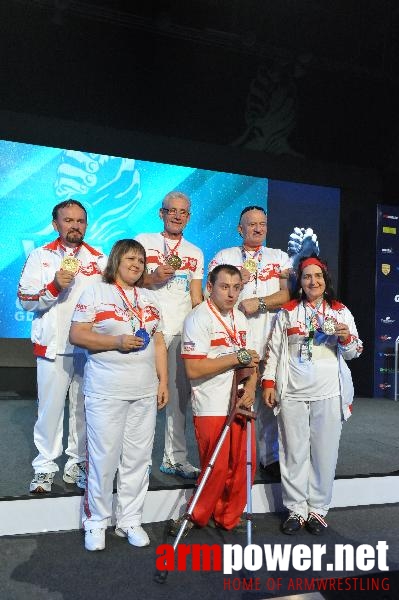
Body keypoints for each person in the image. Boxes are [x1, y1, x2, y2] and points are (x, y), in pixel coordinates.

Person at [69, 239, 168, 551]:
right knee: (103, 458)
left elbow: (160, 343)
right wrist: (117, 342)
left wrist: (163, 381)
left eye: (141, 259)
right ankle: (96, 521)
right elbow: (77, 334)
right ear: (116, 261)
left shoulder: (150, 298)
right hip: (106, 390)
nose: (137, 264)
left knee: (138, 460)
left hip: (143, 391)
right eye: (130, 258)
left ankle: (130, 519)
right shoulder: (96, 292)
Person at [262, 255, 363, 535]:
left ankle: (318, 510)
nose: (312, 281)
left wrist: (344, 338)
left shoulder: (340, 311)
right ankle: (296, 509)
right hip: (292, 392)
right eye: (307, 277)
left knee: (324, 452)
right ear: (300, 282)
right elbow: (274, 351)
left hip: (329, 392)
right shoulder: (288, 311)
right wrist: (268, 383)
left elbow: (356, 351)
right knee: (293, 452)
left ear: (325, 280)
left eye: (317, 276)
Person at [17, 199, 107, 494]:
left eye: (80, 221)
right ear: (56, 224)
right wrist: (55, 285)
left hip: (87, 348)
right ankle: (44, 466)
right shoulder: (40, 256)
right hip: (52, 347)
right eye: (68, 220)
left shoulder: (99, 259)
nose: (74, 225)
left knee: (83, 409)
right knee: (50, 411)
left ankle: (77, 462)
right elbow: (25, 301)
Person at [208, 205, 292, 478]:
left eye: (263, 224)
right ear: (239, 229)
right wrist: (238, 281)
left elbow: (288, 294)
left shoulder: (279, 256)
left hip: (270, 339)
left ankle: (270, 458)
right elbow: (213, 295)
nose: (258, 228)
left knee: (269, 401)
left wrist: (262, 303)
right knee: (237, 401)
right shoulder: (225, 256)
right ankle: (235, 458)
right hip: (236, 342)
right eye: (252, 224)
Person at [175, 264, 259, 532]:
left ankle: (228, 517)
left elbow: (251, 360)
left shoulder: (240, 318)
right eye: (224, 287)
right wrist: (235, 358)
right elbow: (194, 368)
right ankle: (196, 515)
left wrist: (253, 386)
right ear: (210, 287)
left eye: (236, 288)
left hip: (240, 399)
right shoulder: (198, 318)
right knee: (217, 467)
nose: (231, 294)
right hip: (211, 402)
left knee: (245, 463)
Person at [135, 191, 204, 479]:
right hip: (143, 330)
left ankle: (174, 459)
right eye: (171, 210)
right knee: (139, 398)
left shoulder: (195, 252)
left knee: (177, 400)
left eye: (183, 212)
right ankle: (135, 462)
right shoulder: (143, 241)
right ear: (161, 213)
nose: (177, 215)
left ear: (188, 217)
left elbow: (197, 297)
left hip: (177, 332)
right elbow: (128, 278)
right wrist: (153, 278)